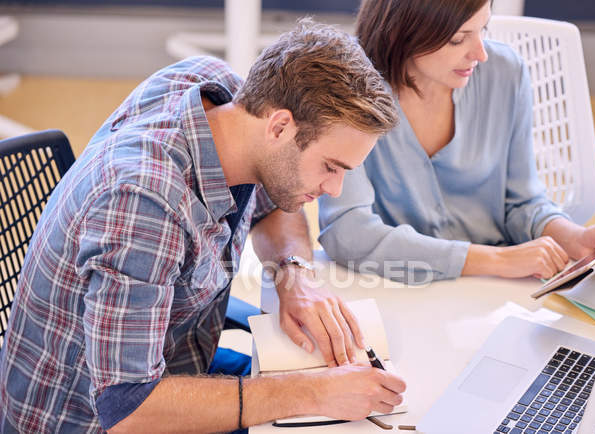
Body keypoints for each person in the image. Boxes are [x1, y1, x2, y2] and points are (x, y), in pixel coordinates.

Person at [0, 20, 406, 433]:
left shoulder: (219, 93)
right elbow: (127, 408)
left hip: (178, 355)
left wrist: (292, 273)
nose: (335, 190)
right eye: (330, 167)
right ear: (280, 126)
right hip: (91, 417)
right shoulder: (144, 203)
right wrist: (313, 393)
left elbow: (274, 202)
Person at [318, 0, 595, 284]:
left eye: (483, 28)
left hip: (495, 292)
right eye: (458, 39)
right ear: (400, 32)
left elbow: (522, 202)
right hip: (395, 287)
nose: (480, 53)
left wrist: (576, 238)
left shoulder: (505, 73)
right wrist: (493, 260)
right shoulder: (350, 89)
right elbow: (348, 233)